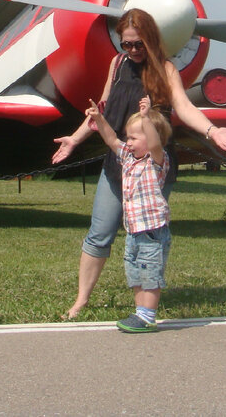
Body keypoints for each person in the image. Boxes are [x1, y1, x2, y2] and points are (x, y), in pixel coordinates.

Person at [52, 8, 226, 320]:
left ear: (152, 40)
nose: (131, 51)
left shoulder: (167, 70)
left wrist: (213, 130)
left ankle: (145, 307)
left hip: (152, 171)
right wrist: (75, 139)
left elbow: (183, 106)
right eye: (125, 44)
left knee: (145, 238)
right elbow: (100, 109)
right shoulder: (117, 65)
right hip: (119, 162)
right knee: (99, 234)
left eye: (138, 44)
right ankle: (81, 301)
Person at [87, 101, 172, 331]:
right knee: (135, 272)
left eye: (134, 138)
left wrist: (145, 118)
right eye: (129, 137)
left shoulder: (156, 161)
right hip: (133, 230)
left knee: (150, 272)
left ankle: (148, 315)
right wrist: (99, 118)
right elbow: (111, 139)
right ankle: (140, 313)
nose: (129, 142)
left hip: (152, 230)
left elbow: (154, 143)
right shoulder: (128, 157)